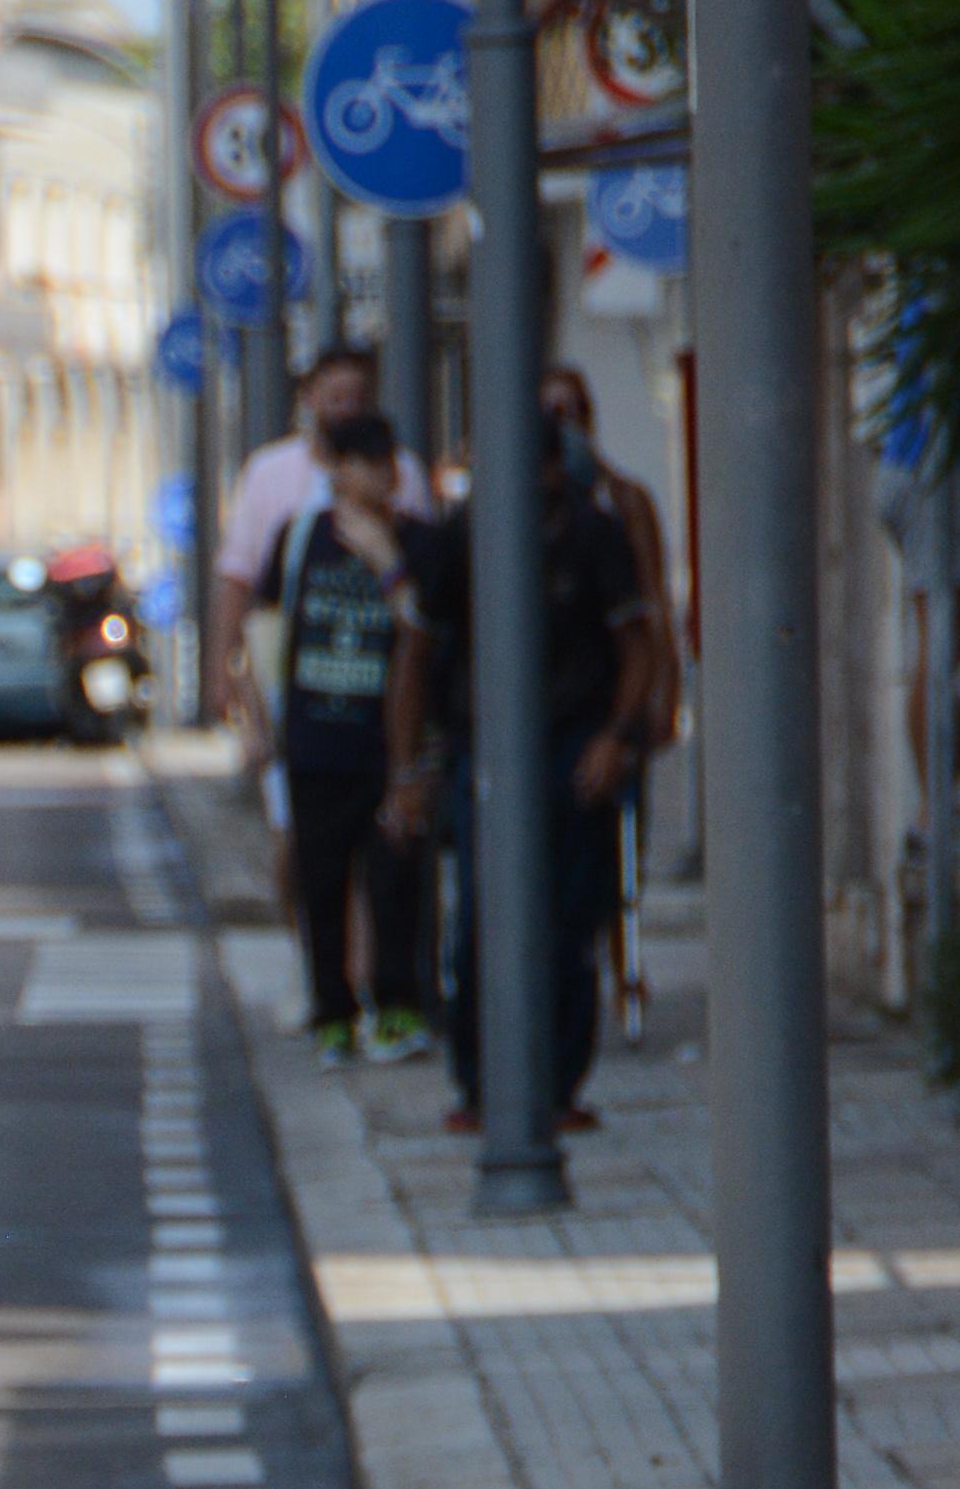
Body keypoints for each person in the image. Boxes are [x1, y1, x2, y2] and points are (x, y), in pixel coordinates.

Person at [395, 407, 664, 1135]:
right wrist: (409, 769)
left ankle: (557, 1087)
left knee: (567, 924)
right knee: (480, 920)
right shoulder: (460, 538)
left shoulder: (592, 533)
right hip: (479, 749)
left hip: (573, 745)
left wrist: (616, 738)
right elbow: (415, 658)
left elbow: (639, 645)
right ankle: (481, 1086)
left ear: (552, 468)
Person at [264, 411, 434, 1066]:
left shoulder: (415, 539)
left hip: (386, 744)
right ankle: (332, 1012)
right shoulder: (300, 538)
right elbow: (268, 623)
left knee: (394, 882)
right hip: (316, 743)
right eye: (362, 462)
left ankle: (397, 1007)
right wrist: (261, 719)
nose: (378, 476)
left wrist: (386, 558)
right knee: (321, 883)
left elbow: (424, 624)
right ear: (334, 470)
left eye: (386, 462)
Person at [542, 364, 680, 1047]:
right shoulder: (525, 505)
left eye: (572, 411)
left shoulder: (623, 500)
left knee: (623, 837)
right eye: (550, 414)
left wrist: (665, 693)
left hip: (612, 695)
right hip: (553, 702)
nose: (563, 426)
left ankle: (623, 965)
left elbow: (651, 602)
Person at [207, 343, 434, 743]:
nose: (346, 408)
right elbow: (240, 579)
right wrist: (227, 672)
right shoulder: (268, 472)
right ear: (310, 398)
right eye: (335, 398)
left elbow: (425, 584)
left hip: (383, 690)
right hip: (301, 695)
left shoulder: (406, 472)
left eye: (358, 398)